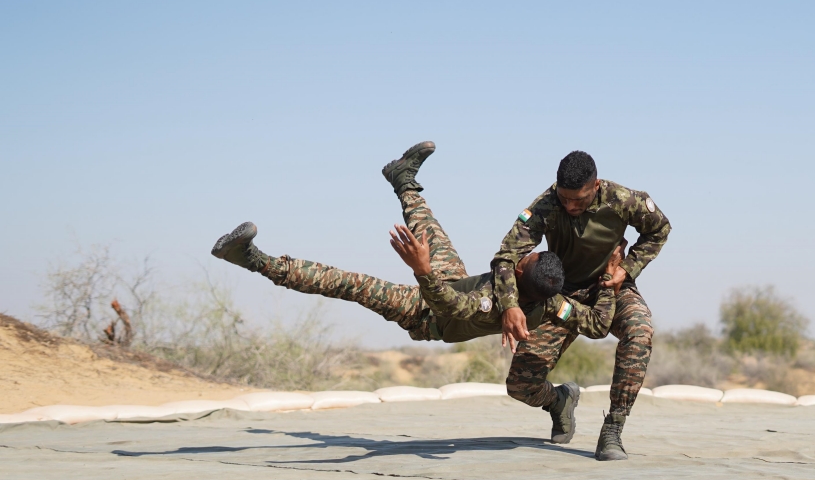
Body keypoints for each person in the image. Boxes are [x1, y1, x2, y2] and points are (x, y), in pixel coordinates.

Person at [210, 142, 619, 444]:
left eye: (521, 262)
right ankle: (403, 177)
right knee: (427, 228)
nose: (516, 260)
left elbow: (448, 303)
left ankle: (251, 259)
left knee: (344, 282)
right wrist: (611, 279)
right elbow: (599, 324)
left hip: (427, 313)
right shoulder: (554, 301)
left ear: (523, 277)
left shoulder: (489, 300)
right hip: (453, 280)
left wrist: (422, 272)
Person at [493, 150, 670, 461]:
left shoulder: (624, 200)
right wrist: (510, 304)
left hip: (610, 285)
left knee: (640, 330)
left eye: (580, 200)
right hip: (561, 296)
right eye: (565, 198)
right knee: (521, 385)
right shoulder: (546, 205)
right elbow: (506, 255)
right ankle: (560, 400)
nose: (571, 206)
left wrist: (626, 269)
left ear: (596, 185)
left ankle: (613, 429)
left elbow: (659, 229)